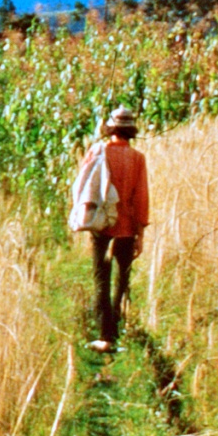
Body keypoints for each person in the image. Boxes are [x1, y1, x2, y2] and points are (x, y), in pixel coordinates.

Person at [75, 105, 149, 351]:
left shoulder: (97, 151)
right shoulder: (137, 158)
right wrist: (140, 234)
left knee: (102, 280)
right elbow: (141, 198)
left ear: (110, 128)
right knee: (122, 280)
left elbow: (83, 185)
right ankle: (117, 331)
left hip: (101, 227)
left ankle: (105, 336)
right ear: (131, 131)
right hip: (126, 229)